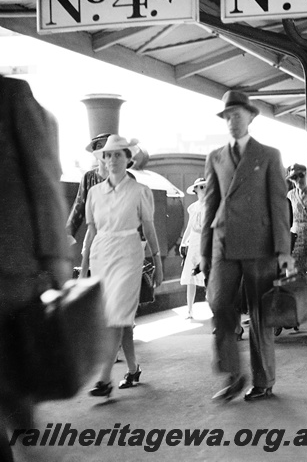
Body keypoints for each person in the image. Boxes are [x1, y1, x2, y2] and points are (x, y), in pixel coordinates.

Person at [200, 91, 293, 402]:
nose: (231, 121)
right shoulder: (215, 157)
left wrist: (283, 251)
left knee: (259, 314)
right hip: (222, 244)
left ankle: (264, 381)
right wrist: (204, 252)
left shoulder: (268, 155)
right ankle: (233, 375)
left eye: (237, 115)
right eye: (227, 116)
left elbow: (279, 204)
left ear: (251, 117)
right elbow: (209, 205)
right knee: (219, 307)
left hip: (260, 245)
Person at [0, 76, 71, 461]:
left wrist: (56, 255)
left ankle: (26, 438)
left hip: (8, 268)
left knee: (11, 377)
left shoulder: (11, 93)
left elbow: (43, 176)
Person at [80, 135, 164, 397]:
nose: (112, 159)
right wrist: (83, 266)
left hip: (129, 254)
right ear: (102, 160)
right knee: (118, 317)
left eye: (118, 154)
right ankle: (132, 368)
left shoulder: (140, 191)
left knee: (116, 315)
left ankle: (104, 379)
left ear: (128, 158)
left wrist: (157, 261)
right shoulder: (94, 193)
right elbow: (91, 231)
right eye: (107, 155)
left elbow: (148, 228)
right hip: (101, 255)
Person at [180, 178, 208, 320]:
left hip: (205, 242)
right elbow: (190, 227)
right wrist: (184, 243)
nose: (203, 189)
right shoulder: (193, 207)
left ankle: (214, 308)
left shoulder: (211, 205)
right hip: (194, 242)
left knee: (208, 276)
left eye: (205, 187)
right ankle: (189, 310)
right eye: (201, 187)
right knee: (191, 277)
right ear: (195, 189)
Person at [286, 164, 307, 278]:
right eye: (294, 177)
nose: (299, 180)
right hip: (296, 238)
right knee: (293, 273)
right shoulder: (290, 195)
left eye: (301, 175)